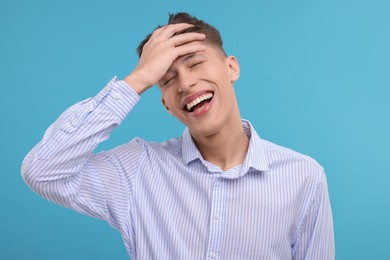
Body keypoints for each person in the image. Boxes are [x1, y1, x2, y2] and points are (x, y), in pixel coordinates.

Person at [22, 12, 335, 259]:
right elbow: (42, 171)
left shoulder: (304, 176)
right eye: (167, 80)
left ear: (231, 68)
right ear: (165, 104)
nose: (185, 83)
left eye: (196, 62)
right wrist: (138, 79)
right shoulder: (137, 170)